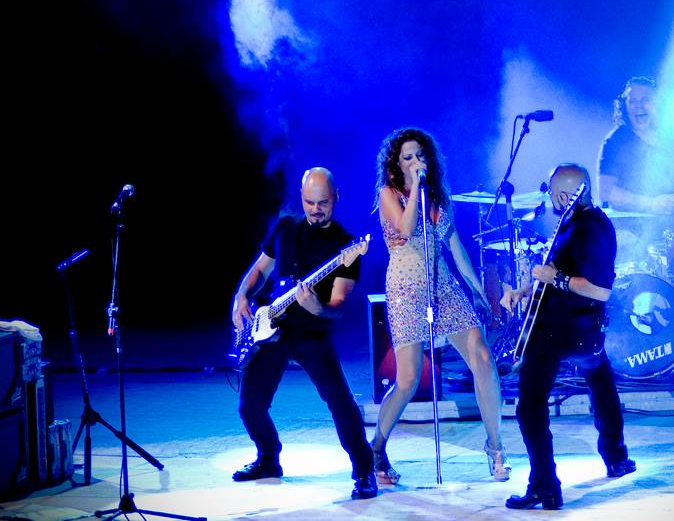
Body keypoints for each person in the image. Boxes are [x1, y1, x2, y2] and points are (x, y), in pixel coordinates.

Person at [371, 127, 510, 484]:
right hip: (406, 289)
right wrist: (416, 187)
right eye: (408, 157)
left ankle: (496, 447)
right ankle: (376, 448)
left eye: (420, 156)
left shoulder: (437, 197)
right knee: (407, 380)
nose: (416, 162)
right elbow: (405, 228)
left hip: (443, 285)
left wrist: (477, 290)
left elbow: (455, 246)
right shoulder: (389, 194)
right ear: (396, 164)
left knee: (482, 358)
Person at [230, 167, 377, 500]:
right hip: (270, 327)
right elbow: (259, 270)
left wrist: (317, 308)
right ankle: (268, 459)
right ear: (301, 197)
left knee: (340, 402)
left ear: (336, 197)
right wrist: (241, 297)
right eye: (310, 202)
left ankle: (364, 471)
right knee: (250, 405)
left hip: (311, 332)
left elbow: (338, 305)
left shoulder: (345, 247)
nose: (316, 209)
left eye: (323, 202)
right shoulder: (285, 227)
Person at [501, 164, 635, 510]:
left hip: (562, 329)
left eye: (551, 193)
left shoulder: (591, 229)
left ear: (564, 196)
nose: (550, 199)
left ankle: (544, 486)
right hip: (578, 329)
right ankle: (616, 457)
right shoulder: (573, 222)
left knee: (529, 405)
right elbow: (556, 271)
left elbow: (601, 291)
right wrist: (523, 290)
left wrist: (556, 279)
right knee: (600, 380)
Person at [597, 76, 674, 221]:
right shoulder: (616, 141)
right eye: (632, 101)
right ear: (624, 107)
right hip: (632, 225)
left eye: (646, 100)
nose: (639, 106)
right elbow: (606, 192)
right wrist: (651, 204)